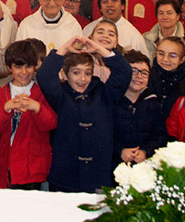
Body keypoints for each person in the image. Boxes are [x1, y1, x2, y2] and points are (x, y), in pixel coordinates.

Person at [37, 34, 132, 192]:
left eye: (88, 73)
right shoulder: (60, 94)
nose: (82, 78)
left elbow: (124, 72)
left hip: (99, 176)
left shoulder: (105, 93)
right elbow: (44, 75)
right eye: (76, 72)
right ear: (65, 75)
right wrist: (65, 48)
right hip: (65, 177)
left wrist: (99, 49)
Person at [0, 40, 57, 189]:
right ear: (9, 67)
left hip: (32, 166)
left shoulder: (42, 90)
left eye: (28, 66)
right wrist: (5, 109)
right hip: (4, 164)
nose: (24, 72)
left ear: (35, 66)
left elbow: (51, 124)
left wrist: (37, 108)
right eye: (18, 67)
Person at [113, 50, 167, 165]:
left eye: (144, 73)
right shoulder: (111, 101)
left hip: (144, 165)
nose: (139, 76)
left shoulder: (152, 102)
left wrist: (145, 151)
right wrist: (120, 151)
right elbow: (103, 135)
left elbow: (159, 135)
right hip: (113, 163)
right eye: (134, 71)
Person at [83, 0, 151, 55]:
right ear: (100, 8)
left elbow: (143, 63)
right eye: (104, 1)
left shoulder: (133, 35)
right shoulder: (89, 29)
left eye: (114, 0)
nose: (109, 5)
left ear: (122, 6)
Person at [16, 0, 82, 52]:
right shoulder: (27, 25)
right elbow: (20, 57)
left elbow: (77, 58)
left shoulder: (72, 25)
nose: (51, 3)